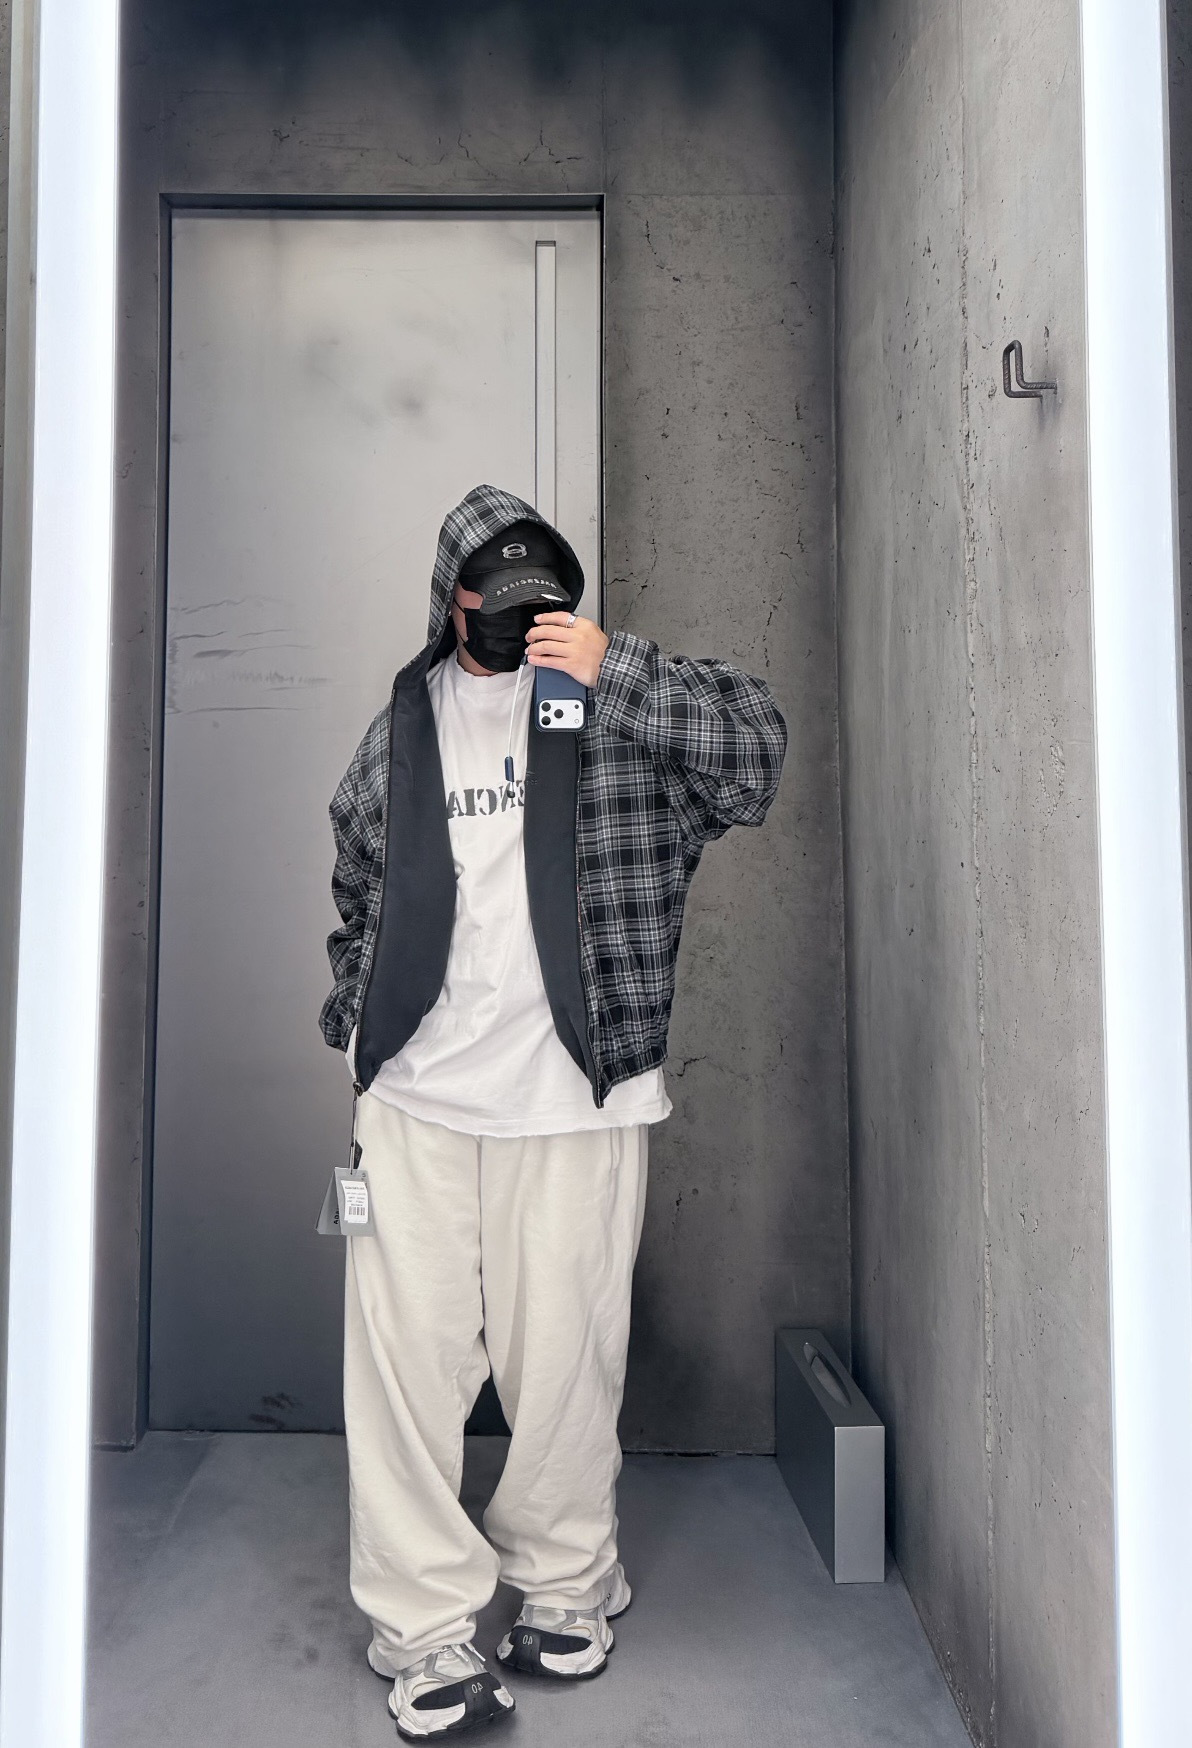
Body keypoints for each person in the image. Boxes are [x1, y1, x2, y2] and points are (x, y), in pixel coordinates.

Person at [320, 483, 787, 1740]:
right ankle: (425, 1626)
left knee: (568, 1362)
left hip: (578, 1099)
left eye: (547, 603)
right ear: (454, 601)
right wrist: (354, 1017)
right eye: (503, 602)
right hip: (417, 1103)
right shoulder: (402, 728)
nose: (525, 623)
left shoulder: (619, 708)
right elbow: (356, 874)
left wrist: (614, 669)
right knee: (405, 1372)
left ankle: (567, 1582)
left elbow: (756, 759)